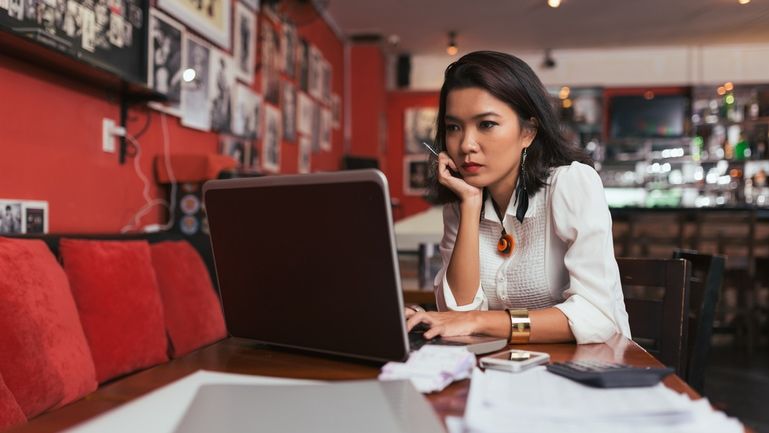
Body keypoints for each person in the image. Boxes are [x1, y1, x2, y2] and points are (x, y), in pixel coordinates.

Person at [405, 51, 630, 345]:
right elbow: (458, 314)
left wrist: (481, 321)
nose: (466, 145)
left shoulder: (570, 183)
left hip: (591, 371)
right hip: (508, 368)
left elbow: (597, 317)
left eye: (486, 124)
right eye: (453, 127)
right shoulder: (460, 204)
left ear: (528, 132)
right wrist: (471, 205)